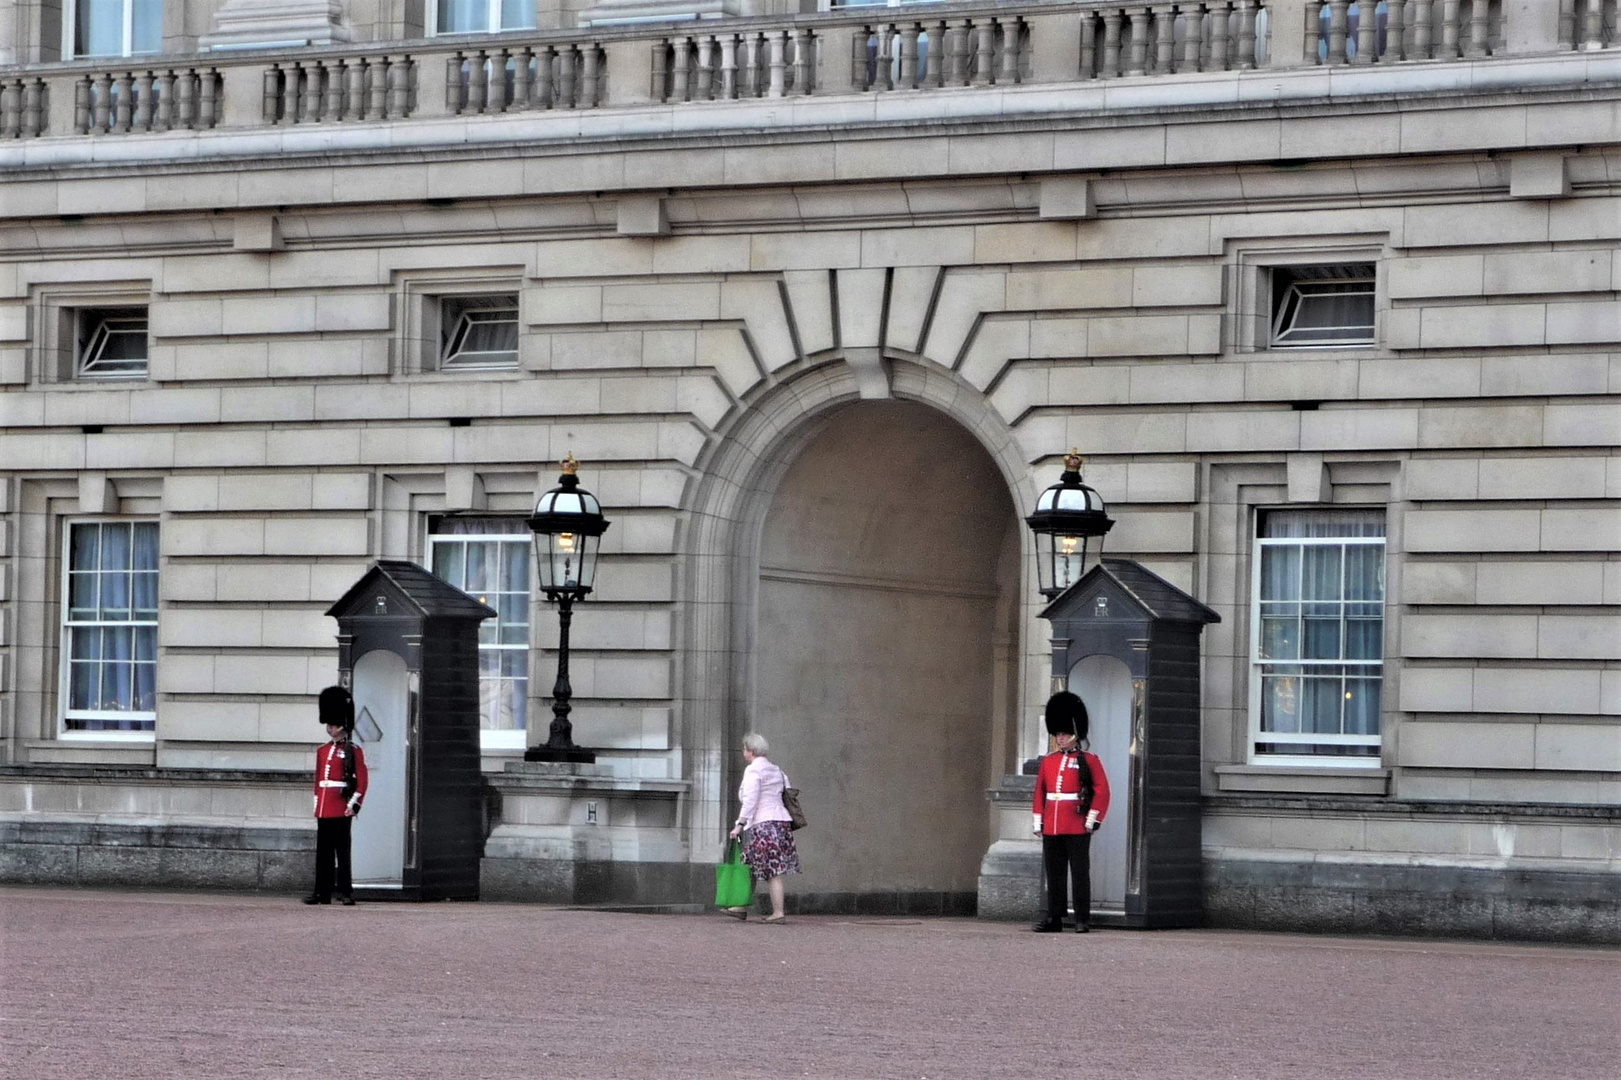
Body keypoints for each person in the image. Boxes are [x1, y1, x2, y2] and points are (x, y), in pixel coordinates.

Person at [1032, 691, 1110, 933]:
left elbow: (1102, 791)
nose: (1060, 738)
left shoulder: (1089, 760)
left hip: (1077, 824)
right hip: (1052, 824)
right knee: (1054, 875)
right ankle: (1054, 918)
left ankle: (1081, 919)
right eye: (1058, 734)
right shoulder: (1049, 761)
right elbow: (1040, 793)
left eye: (1064, 734)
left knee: (1079, 874)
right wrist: (1038, 822)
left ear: (1075, 734)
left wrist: (1091, 819)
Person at [303, 685, 368, 906]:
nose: (330, 728)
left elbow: (362, 780)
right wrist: (316, 803)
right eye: (329, 724)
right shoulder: (322, 750)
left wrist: (354, 804)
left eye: (333, 724)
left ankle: (346, 891)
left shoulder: (353, 750)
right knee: (324, 853)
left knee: (342, 851)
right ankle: (321, 892)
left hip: (341, 806)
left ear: (342, 725)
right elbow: (318, 779)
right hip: (324, 806)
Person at [725, 732, 800, 924]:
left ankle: (778, 912)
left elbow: (751, 800)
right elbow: (787, 792)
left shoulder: (753, 771)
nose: (743, 753)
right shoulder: (777, 770)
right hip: (781, 822)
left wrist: (739, 824)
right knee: (750, 864)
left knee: (771, 871)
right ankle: (741, 906)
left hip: (763, 824)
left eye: (744, 749)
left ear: (750, 751)